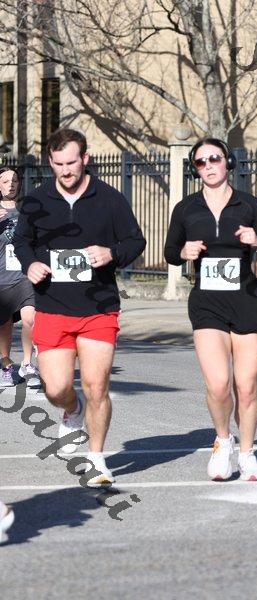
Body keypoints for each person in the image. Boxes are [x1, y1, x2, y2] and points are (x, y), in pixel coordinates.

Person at [14, 128, 146, 487]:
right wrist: (30, 263)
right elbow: (21, 241)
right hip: (52, 306)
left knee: (96, 386)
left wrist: (111, 253)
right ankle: (72, 410)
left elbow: (135, 241)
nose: (65, 170)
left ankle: (97, 459)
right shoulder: (37, 200)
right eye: (58, 164)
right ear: (50, 162)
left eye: (71, 163)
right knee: (56, 388)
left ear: (85, 158)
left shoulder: (110, 199)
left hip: (98, 308)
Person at [164, 138, 257, 481]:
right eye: (201, 162)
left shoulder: (249, 205)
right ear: (195, 169)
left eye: (214, 159)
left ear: (227, 162)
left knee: (246, 386)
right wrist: (183, 252)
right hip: (207, 304)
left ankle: (247, 454)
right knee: (218, 385)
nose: (209, 166)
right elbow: (170, 252)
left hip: (246, 302)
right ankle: (223, 440)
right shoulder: (186, 208)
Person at [0, 167, 40, 387]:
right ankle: (6, 366)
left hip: (25, 275)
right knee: (4, 324)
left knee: (30, 319)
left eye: (14, 180)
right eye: (5, 181)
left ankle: (27, 364)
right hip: (2, 277)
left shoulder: (28, 210)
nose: (11, 185)